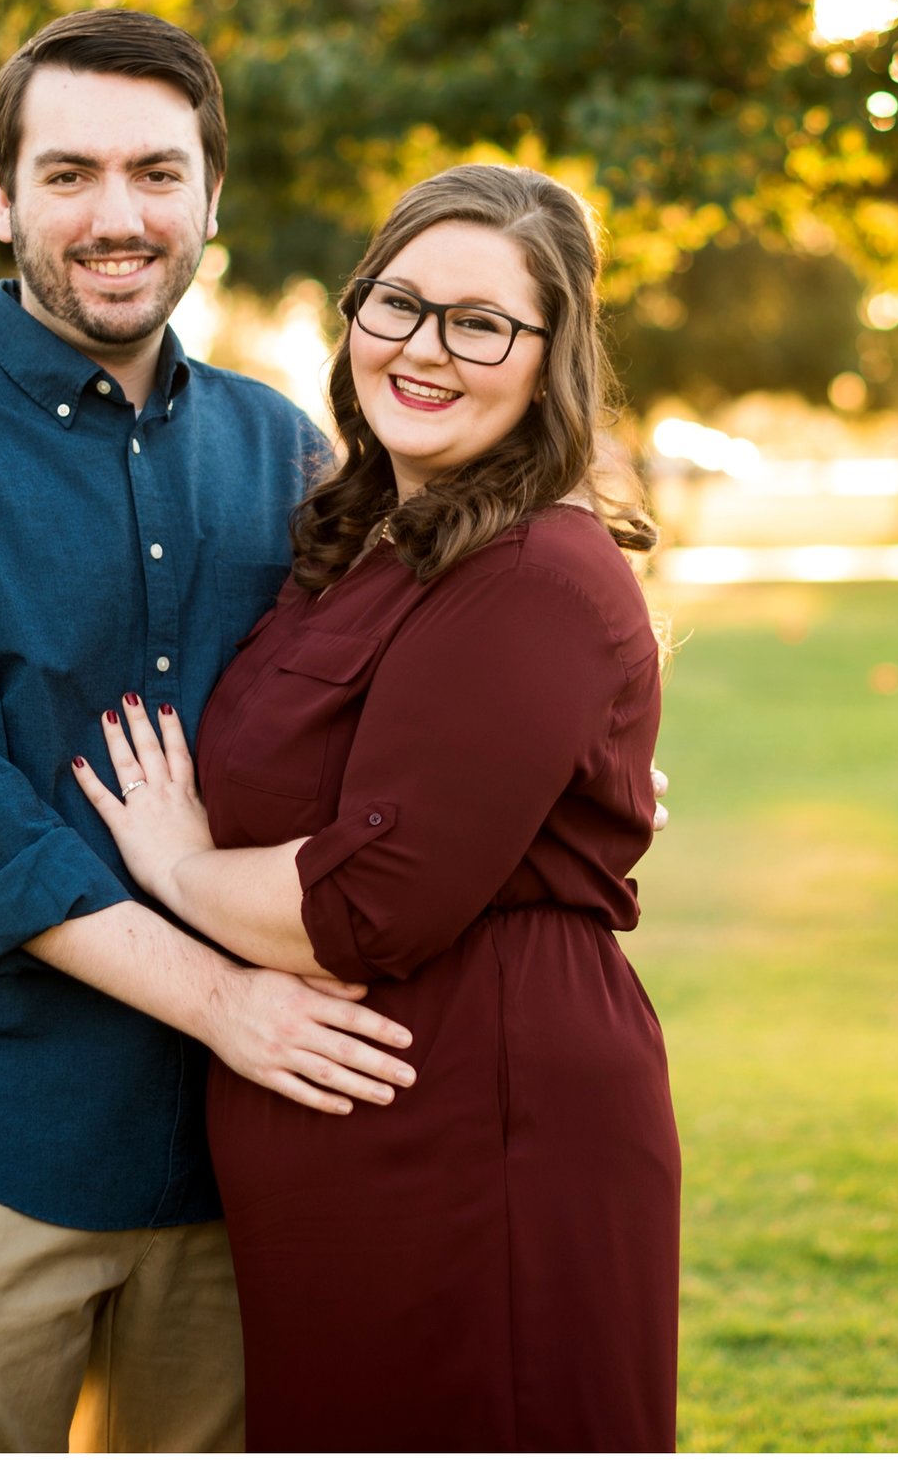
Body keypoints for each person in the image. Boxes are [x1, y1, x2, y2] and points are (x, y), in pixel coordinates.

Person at [0, 10, 421, 1453]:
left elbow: (397, 700)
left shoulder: (284, 448)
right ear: (4, 194)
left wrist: (573, 759)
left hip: (227, 1149)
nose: (116, 216)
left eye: (157, 173)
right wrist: (223, 998)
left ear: (212, 197)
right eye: (70, 171)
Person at [75, 164, 681, 1451]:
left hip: (484, 1143)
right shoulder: (365, 544)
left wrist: (178, 866)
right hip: (348, 1165)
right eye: (396, 303)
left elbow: (361, 902)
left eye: (481, 323)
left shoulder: (536, 573)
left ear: (549, 356)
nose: (425, 348)